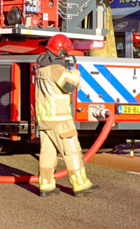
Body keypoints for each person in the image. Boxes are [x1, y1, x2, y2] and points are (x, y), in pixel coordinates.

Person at [34, 34, 98, 198]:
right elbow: (70, 85)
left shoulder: (42, 69)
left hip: (45, 120)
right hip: (60, 119)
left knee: (48, 153)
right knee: (72, 152)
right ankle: (80, 184)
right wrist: (75, 72)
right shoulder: (56, 70)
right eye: (66, 53)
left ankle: (46, 185)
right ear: (61, 52)